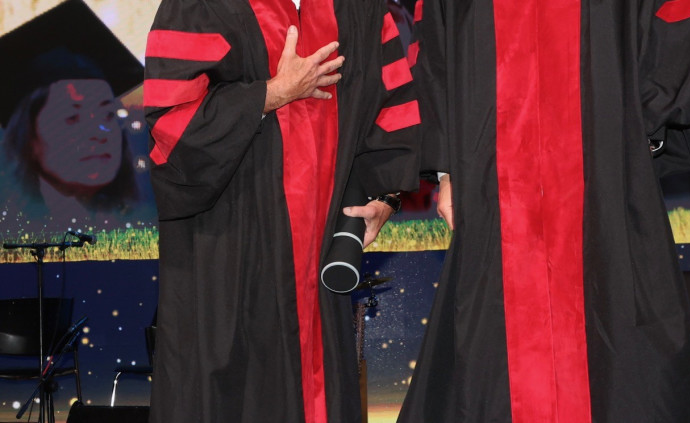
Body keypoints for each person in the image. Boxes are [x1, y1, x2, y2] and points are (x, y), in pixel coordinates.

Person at [399, 0, 690, 422]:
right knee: (489, 360)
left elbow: (675, 24)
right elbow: (436, 47)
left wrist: (637, 130)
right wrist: (447, 169)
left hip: (604, 184)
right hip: (493, 189)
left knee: (621, 350)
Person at [144, 0, 420, 421]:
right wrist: (272, 93)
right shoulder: (201, 6)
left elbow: (392, 107)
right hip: (230, 251)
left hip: (320, 265)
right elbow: (169, 122)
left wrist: (386, 198)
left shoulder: (360, 10)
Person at [0, 0, 145, 230]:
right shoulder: (19, 228)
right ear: (29, 139)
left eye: (108, 115)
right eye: (72, 117)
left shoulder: (134, 224)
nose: (99, 132)